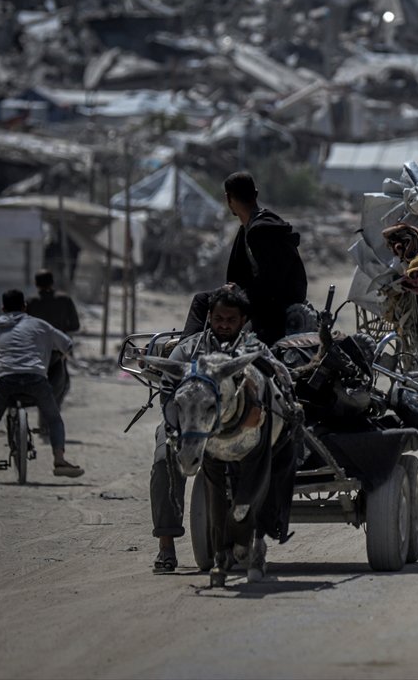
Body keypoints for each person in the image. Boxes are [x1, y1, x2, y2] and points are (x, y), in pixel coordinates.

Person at [151, 285, 291, 572]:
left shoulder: (253, 350)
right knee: (164, 460)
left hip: (239, 430)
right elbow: (168, 391)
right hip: (187, 425)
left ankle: (259, 529)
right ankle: (166, 545)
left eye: (230, 321)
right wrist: (177, 427)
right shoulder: (187, 350)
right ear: (209, 318)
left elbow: (277, 378)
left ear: (242, 321)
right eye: (218, 319)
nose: (223, 325)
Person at [0, 289, 82, 477]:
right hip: (37, 380)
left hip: (4, 381)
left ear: (2, 308)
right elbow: (67, 345)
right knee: (54, 420)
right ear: (25, 307)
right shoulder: (40, 325)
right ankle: (59, 460)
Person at [182, 172, 307, 345]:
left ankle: (186, 351)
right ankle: (190, 347)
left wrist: (239, 293)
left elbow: (272, 284)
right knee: (203, 300)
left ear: (228, 198)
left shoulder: (261, 231)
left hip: (273, 306)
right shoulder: (253, 227)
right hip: (261, 298)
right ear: (255, 194)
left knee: (207, 305)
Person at [26, 269, 79, 409]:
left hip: (35, 351)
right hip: (59, 350)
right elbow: (75, 325)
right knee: (62, 383)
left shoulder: (31, 301)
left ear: (36, 284)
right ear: (52, 282)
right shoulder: (64, 299)